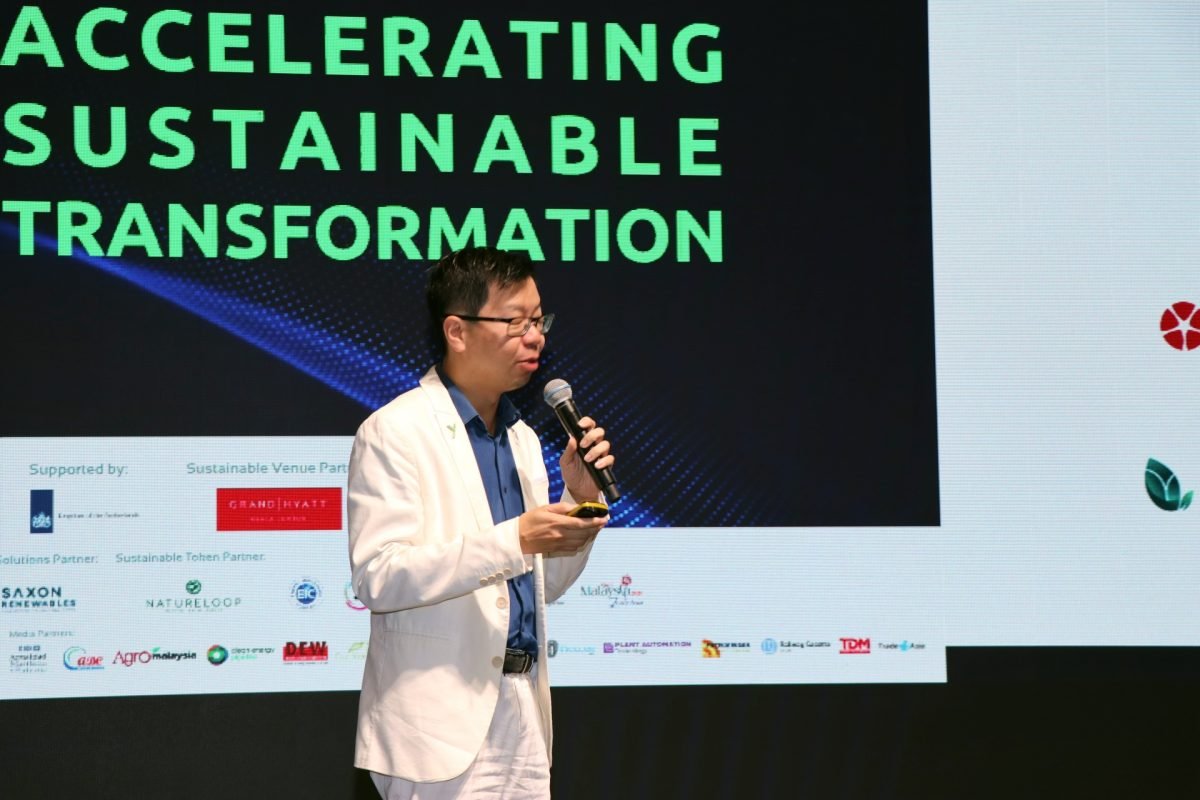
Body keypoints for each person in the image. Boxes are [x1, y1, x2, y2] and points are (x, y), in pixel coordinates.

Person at [347, 246, 614, 798]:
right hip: (436, 727)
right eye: (516, 322)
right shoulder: (395, 430)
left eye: (538, 320)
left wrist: (579, 499)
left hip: (524, 707)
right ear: (457, 331)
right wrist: (514, 538)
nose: (535, 337)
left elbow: (541, 587)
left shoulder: (523, 439)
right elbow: (380, 577)